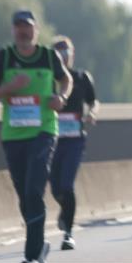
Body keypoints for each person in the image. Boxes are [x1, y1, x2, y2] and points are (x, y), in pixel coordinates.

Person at [0, 10, 71, 263]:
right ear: (13, 31)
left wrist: (62, 97)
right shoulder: (4, 57)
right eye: (19, 27)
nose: (23, 32)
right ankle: (40, 246)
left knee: (33, 190)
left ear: (36, 30)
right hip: (13, 135)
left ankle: (31, 256)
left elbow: (66, 79)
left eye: (28, 27)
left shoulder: (48, 55)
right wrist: (10, 87)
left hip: (43, 130)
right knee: (24, 195)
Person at [49, 36, 97, 251]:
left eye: (66, 52)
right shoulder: (47, 79)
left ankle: (68, 232)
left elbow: (93, 101)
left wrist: (93, 113)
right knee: (55, 188)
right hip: (51, 139)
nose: (63, 56)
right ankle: (65, 209)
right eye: (59, 53)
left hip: (75, 140)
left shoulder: (81, 77)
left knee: (67, 185)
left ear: (72, 54)